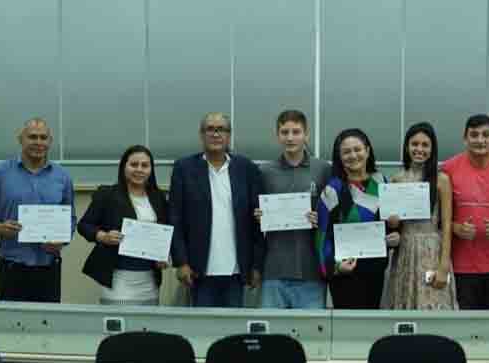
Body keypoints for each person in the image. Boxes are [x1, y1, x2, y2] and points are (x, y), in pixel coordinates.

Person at [0, 118, 74, 302]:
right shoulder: (0, 172)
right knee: (10, 326)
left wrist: (63, 240)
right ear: (20, 139)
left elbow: (70, 219)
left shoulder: (63, 177)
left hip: (49, 267)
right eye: (32, 137)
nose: (38, 142)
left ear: (50, 141)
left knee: (47, 326)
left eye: (43, 137)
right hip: (12, 267)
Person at [169, 112, 263, 307]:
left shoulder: (247, 169)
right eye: (210, 129)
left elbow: (257, 222)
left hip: (237, 271)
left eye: (221, 129)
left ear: (229, 135)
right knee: (203, 331)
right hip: (198, 271)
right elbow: (175, 218)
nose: (215, 134)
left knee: (233, 333)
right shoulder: (184, 169)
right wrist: (181, 262)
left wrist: (256, 266)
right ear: (201, 135)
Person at [254, 110, 331, 309]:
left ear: (306, 135)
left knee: (311, 336)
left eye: (296, 132)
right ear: (277, 135)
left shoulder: (323, 169)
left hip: (312, 271)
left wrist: (320, 218)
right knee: (271, 335)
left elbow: (333, 215)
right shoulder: (264, 172)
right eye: (284, 132)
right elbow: (254, 217)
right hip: (274, 270)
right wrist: (258, 215)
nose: (290, 137)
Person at [441, 114, 489, 310]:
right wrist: (456, 228)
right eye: (474, 135)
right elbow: (437, 219)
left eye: (486, 135)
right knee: (464, 327)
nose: (480, 140)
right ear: (465, 138)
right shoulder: (448, 169)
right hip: (461, 266)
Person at [316, 128, 399, 309]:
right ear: (339, 157)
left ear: (367, 151)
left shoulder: (381, 182)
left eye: (357, 149)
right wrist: (336, 267)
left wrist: (394, 233)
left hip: (376, 270)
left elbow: (388, 224)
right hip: (345, 272)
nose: (353, 155)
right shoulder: (332, 190)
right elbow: (322, 235)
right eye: (346, 152)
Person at [77, 145, 169, 305]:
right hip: (118, 279)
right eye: (134, 164)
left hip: (149, 279)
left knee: (147, 328)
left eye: (145, 165)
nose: (139, 170)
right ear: (123, 167)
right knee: (119, 327)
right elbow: (84, 225)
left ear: (151, 169)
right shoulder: (107, 195)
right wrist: (103, 236)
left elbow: (165, 232)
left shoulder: (158, 197)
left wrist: (164, 256)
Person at [385, 122, 458, 310]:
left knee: (433, 303)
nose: (419, 149)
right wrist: (393, 223)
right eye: (414, 144)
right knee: (405, 305)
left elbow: (447, 225)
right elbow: (393, 225)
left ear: (432, 149)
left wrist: (443, 266)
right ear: (407, 146)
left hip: (432, 250)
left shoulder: (441, 180)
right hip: (405, 251)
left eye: (425, 145)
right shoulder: (396, 179)